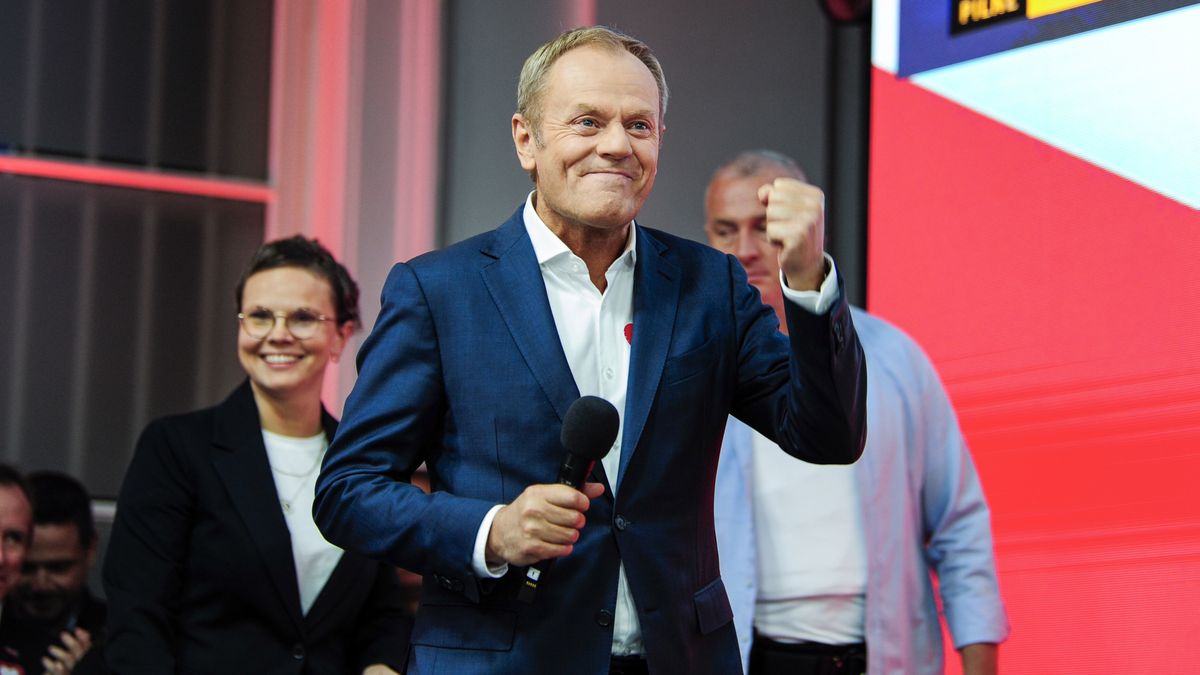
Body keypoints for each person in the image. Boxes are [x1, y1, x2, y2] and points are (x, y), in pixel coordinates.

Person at [314, 26, 867, 675]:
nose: (616, 145)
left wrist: (805, 278)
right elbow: (349, 491)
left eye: (639, 124)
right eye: (587, 121)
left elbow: (828, 434)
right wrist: (492, 529)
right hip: (505, 658)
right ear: (527, 139)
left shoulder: (709, 285)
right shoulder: (439, 291)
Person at [707, 150, 1009, 675]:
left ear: (809, 226)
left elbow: (959, 525)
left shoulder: (894, 358)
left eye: (766, 226)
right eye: (726, 230)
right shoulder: (694, 364)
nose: (747, 250)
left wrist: (980, 660)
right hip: (748, 655)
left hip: (885, 655)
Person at [102, 236, 410, 674]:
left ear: (341, 336)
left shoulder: (364, 462)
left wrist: (382, 664)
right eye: (260, 316)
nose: (278, 334)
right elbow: (137, 617)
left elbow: (382, 614)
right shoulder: (176, 448)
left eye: (303, 317)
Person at [1, 472, 107, 674]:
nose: (41, 584)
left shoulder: (116, 638)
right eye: (28, 568)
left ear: (90, 549)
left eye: (58, 568)